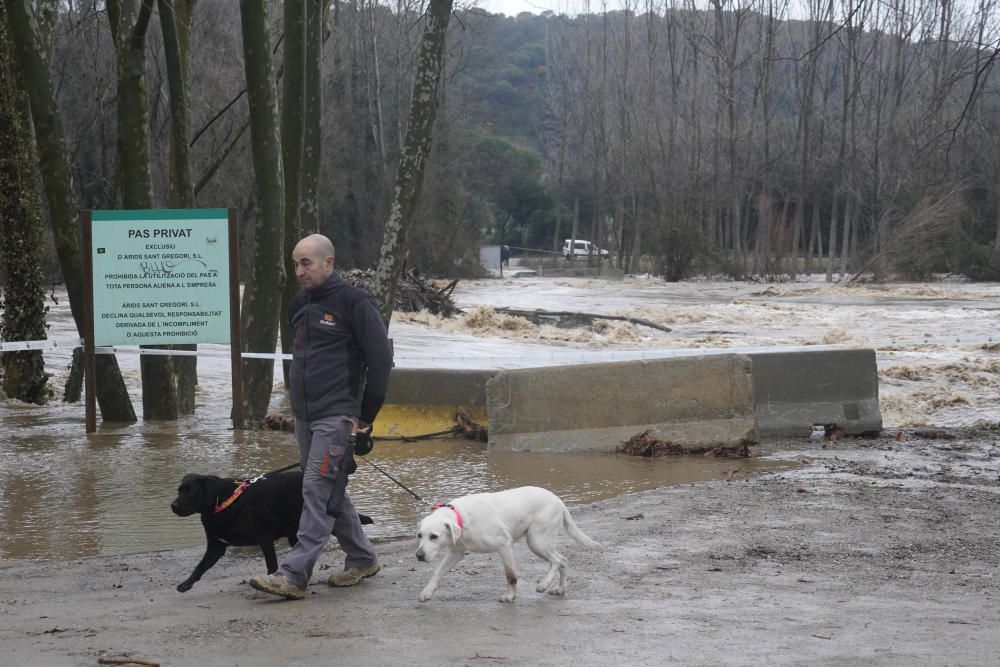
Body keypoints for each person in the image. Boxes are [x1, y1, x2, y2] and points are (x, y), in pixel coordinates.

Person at [249, 234, 393, 600]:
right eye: (295, 264)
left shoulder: (356, 304)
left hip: (339, 413)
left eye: (306, 263)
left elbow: (380, 362)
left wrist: (365, 415)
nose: (299, 271)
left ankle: (293, 574)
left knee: (314, 488)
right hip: (304, 415)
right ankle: (362, 558)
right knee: (327, 487)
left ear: (328, 263)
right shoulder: (298, 305)